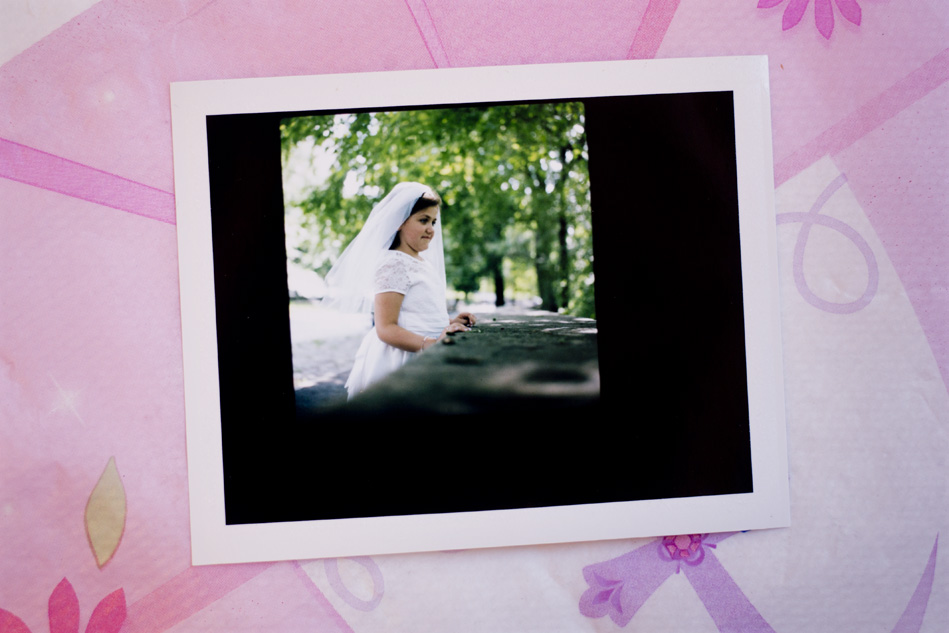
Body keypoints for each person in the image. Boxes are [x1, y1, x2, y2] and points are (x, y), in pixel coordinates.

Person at [322, 182, 476, 399]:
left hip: (427, 352)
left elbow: (417, 312)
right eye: (423, 220)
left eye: (433, 221)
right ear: (399, 222)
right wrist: (431, 344)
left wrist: (449, 322)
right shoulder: (393, 264)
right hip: (403, 358)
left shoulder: (421, 263)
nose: (431, 229)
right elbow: (385, 328)